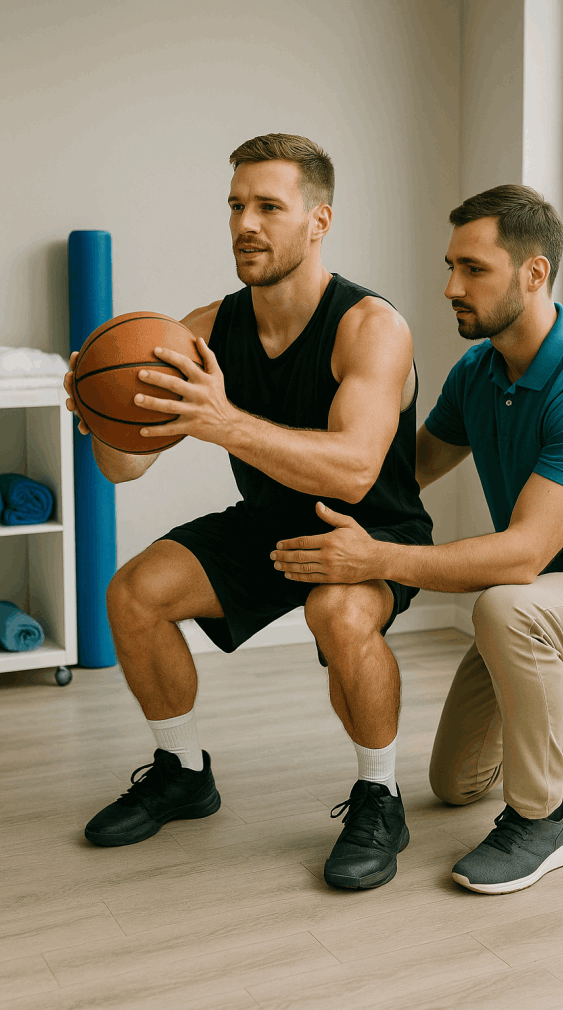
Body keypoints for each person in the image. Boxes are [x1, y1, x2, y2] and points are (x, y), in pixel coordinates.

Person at [271, 184, 563, 895]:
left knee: (502, 606)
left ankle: (543, 820)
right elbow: (407, 473)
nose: (451, 286)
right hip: (540, 599)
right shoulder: (478, 372)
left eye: (473, 269)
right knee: (456, 782)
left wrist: (380, 557)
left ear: (534, 273)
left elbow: (519, 556)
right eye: (449, 265)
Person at [64, 133, 433, 890]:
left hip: (364, 531)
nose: (246, 224)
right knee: (133, 595)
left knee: (339, 614)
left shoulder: (371, 327)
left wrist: (222, 421)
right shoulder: (203, 328)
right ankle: (183, 773)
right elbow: (124, 469)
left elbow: (358, 470)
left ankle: (378, 794)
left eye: (269, 206)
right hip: (267, 522)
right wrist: (102, 417)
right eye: (237, 206)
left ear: (319, 221)